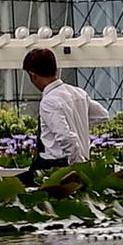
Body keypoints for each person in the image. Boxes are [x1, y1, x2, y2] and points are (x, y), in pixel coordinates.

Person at [25, 47, 108, 178]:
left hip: (55, 167)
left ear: (32, 74)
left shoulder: (49, 101)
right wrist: (77, 123)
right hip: (77, 160)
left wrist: (78, 167)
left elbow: (66, 137)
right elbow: (103, 115)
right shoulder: (79, 93)